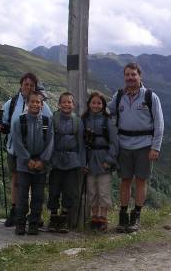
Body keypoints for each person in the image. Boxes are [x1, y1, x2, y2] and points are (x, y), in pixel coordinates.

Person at [108, 62, 164, 233]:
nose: (130, 78)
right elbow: (105, 110)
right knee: (125, 181)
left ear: (140, 76)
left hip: (144, 146)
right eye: (127, 75)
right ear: (124, 77)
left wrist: (156, 147)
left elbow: (159, 123)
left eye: (133, 74)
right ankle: (123, 217)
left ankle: (136, 217)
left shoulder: (150, 97)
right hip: (123, 145)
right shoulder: (118, 96)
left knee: (140, 181)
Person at [0, 73, 52, 227]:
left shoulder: (41, 104)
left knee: (32, 183)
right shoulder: (12, 103)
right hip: (15, 150)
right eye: (25, 84)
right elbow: (4, 123)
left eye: (31, 85)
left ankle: (33, 214)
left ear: (35, 87)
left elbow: (49, 124)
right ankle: (16, 212)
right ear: (21, 85)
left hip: (36, 152)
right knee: (17, 182)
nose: (28, 87)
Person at [11, 90, 53, 235]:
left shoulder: (47, 121)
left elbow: (50, 143)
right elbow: (17, 143)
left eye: (38, 102)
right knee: (22, 196)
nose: (35, 104)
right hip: (24, 165)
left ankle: (34, 224)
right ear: (27, 103)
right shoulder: (19, 121)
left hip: (41, 165)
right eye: (32, 102)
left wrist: (43, 160)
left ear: (42, 105)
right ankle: (20, 224)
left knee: (38, 197)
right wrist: (27, 160)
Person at [47, 92, 86, 233]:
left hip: (72, 161)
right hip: (56, 160)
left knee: (69, 191)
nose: (66, 105)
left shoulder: (78, 121)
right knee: (54, 190)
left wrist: (83, 163)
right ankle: (53, 218)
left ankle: (63, 219)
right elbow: (49, 141)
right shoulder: (53, 119)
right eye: (64, 102)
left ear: (73, 105)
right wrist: (48, 159)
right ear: (59, 104)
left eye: (69, 102)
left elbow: (81, 144)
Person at [82, 92, 118, 231]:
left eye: (99, 103)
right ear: (89, 104)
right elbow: (81, 143)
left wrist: (109, 160)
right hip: (90, 159)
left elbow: (114, 143)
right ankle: (94, 217)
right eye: (93, 103)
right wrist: (83, 162)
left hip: (104, 159)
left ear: (103, 105)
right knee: (92, 190)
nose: (96, 105)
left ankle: (103, 218)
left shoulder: (107, 121)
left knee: (103, 190)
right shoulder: (84, 120)